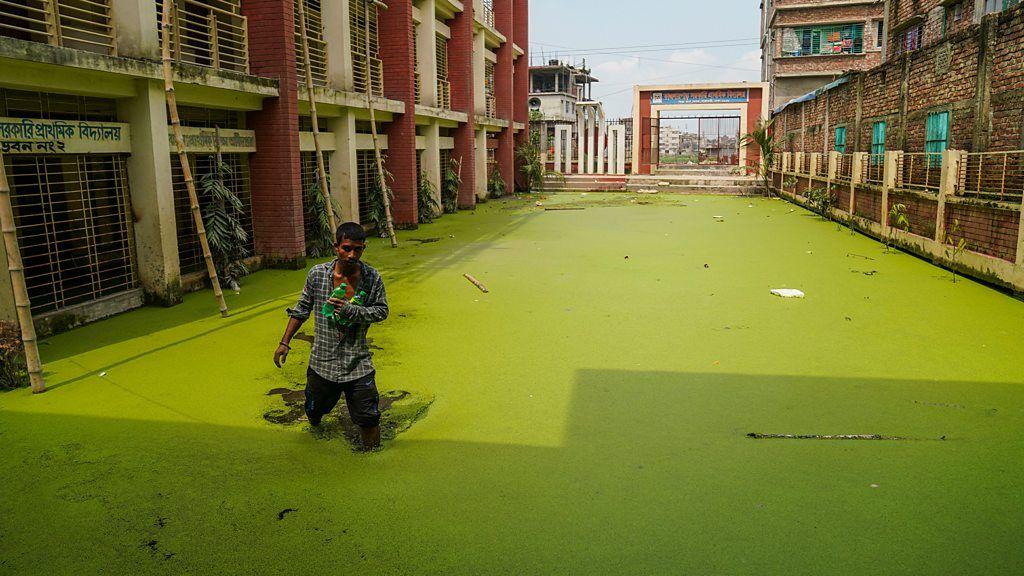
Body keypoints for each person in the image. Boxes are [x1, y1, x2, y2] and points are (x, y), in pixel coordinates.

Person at [274, 222, 389, 450]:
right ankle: (314, 435)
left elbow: (382, 311)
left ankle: (372, 458)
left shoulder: (372, 277)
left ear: (364, 249)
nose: (352, 255)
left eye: (358, 249)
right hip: (322, 363)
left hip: (358, 363)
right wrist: (284, 342)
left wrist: (351, 310)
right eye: (347, 248)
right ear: (336, 246)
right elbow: (301, 310)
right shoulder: (317, 275)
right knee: (314, 410)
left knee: (368, 417)